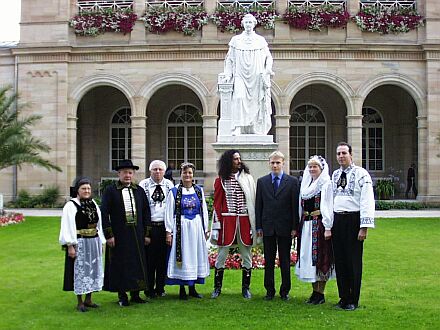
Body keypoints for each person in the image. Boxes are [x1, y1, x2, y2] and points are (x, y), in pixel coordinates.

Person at [101, 159, 151, 307]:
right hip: (119, 235)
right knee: (120, 264)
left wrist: (147, 233)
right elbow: (104, 214)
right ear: (119, 174)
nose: (127, 175)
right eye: (124, 173)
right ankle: (122, 295)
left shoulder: (139, 191)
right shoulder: (111, 191)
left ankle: (136, 293)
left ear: (133, 174)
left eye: (130, 172)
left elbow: (146, 212)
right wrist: (109, 235)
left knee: (137, 263)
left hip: (137, 234)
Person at [332, 142, 375, 311]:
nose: (341, 156)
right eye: (338, 153)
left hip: (353, 220)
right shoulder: (335, 175)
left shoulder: (361, 174)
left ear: (351, 155)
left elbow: (367, 201)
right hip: (338, 220)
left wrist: (364, 227)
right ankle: (343, 297)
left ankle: (353, 299)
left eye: (344, 153)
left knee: (353, 261)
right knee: (340, 261)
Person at [210, 150, 257, 299]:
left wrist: (252, 225)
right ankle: (217, 288)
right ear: (228, 161)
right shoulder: (221, 180)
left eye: (239, 158)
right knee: (221, 255)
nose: (238, 161)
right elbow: (217, 204)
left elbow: (253, 202)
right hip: (227, 221)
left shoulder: (248, 178)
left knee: (246, 255)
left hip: (244, 221)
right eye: (235, 159)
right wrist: (216, 226)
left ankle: (246, 288)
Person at [256, 151, 300, 301]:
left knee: (285, 260)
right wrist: (258, 227)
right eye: (273, 163)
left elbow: (295, 206)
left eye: (278, 162)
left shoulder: (292, 182)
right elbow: (258, 206)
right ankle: (269, 290)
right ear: (269, 163)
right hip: (268, 227)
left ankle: (285, 291)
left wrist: (295, 227)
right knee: (268, 260)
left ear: (283, 163)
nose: (275, 165)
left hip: (285, 227)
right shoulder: (262, 182)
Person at [59, 177, 105, 312]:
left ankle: (89, 299)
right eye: (84, 188)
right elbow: (67, 226)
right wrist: (70, 245)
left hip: (93, 241)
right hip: (80, 242)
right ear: (77, 190)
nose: (87, 191)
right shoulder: (71, 205)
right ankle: (80, 302)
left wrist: (100, 241)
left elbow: (99, 224)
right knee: (80, 271)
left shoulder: (93, 204)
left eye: (89, 188)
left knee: (92, 270)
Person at [165, 162, 210, 300]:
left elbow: (203, 210)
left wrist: (205, 228)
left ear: (193, 175)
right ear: (181, 174)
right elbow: (169, 212)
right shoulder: (174, 191)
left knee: (194, 255)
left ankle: (192, 288)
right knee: (183, 256)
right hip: (181, 227)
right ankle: (182, 288)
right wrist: (169, 232)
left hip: (195, 227)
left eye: (190, 172)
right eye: (185, 173)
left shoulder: (198, 190)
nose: (187, 175)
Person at [223, 13, 274, 135]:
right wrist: (227, 74)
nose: (248, 25)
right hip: (240, 74)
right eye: (246, 22)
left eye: (250, 22)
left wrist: (267, 70)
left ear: (254, 24)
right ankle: (238, 127)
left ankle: (254, 127)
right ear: (242, 24)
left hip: (256, 74)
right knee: (239, 98)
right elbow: (229, 59)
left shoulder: (260, 40)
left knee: (256, 101)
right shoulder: (236, 40)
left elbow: (269, 57)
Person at [295, 156, 334, 305]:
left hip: (319, 225)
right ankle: (314, 292)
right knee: (308, 258)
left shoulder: (325, 184)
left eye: (315, 167)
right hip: (306, 225)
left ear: (321, 169)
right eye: (310, 167)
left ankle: (321, 293)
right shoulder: (305, 185)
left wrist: (328, 227)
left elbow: (328, 206)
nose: (312, 169)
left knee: (320, 258)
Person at [139, 160, 174, 298]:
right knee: (149, 260)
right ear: (150, 171)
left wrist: (169, 231)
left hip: (164, 227)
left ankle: (160, 288)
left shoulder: (169, 185)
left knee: (162, 259)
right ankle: (148, 288)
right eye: (155, 169)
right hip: (150, 227)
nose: (157, 172)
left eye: (160, 169)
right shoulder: (143, 185)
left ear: (164, 172)